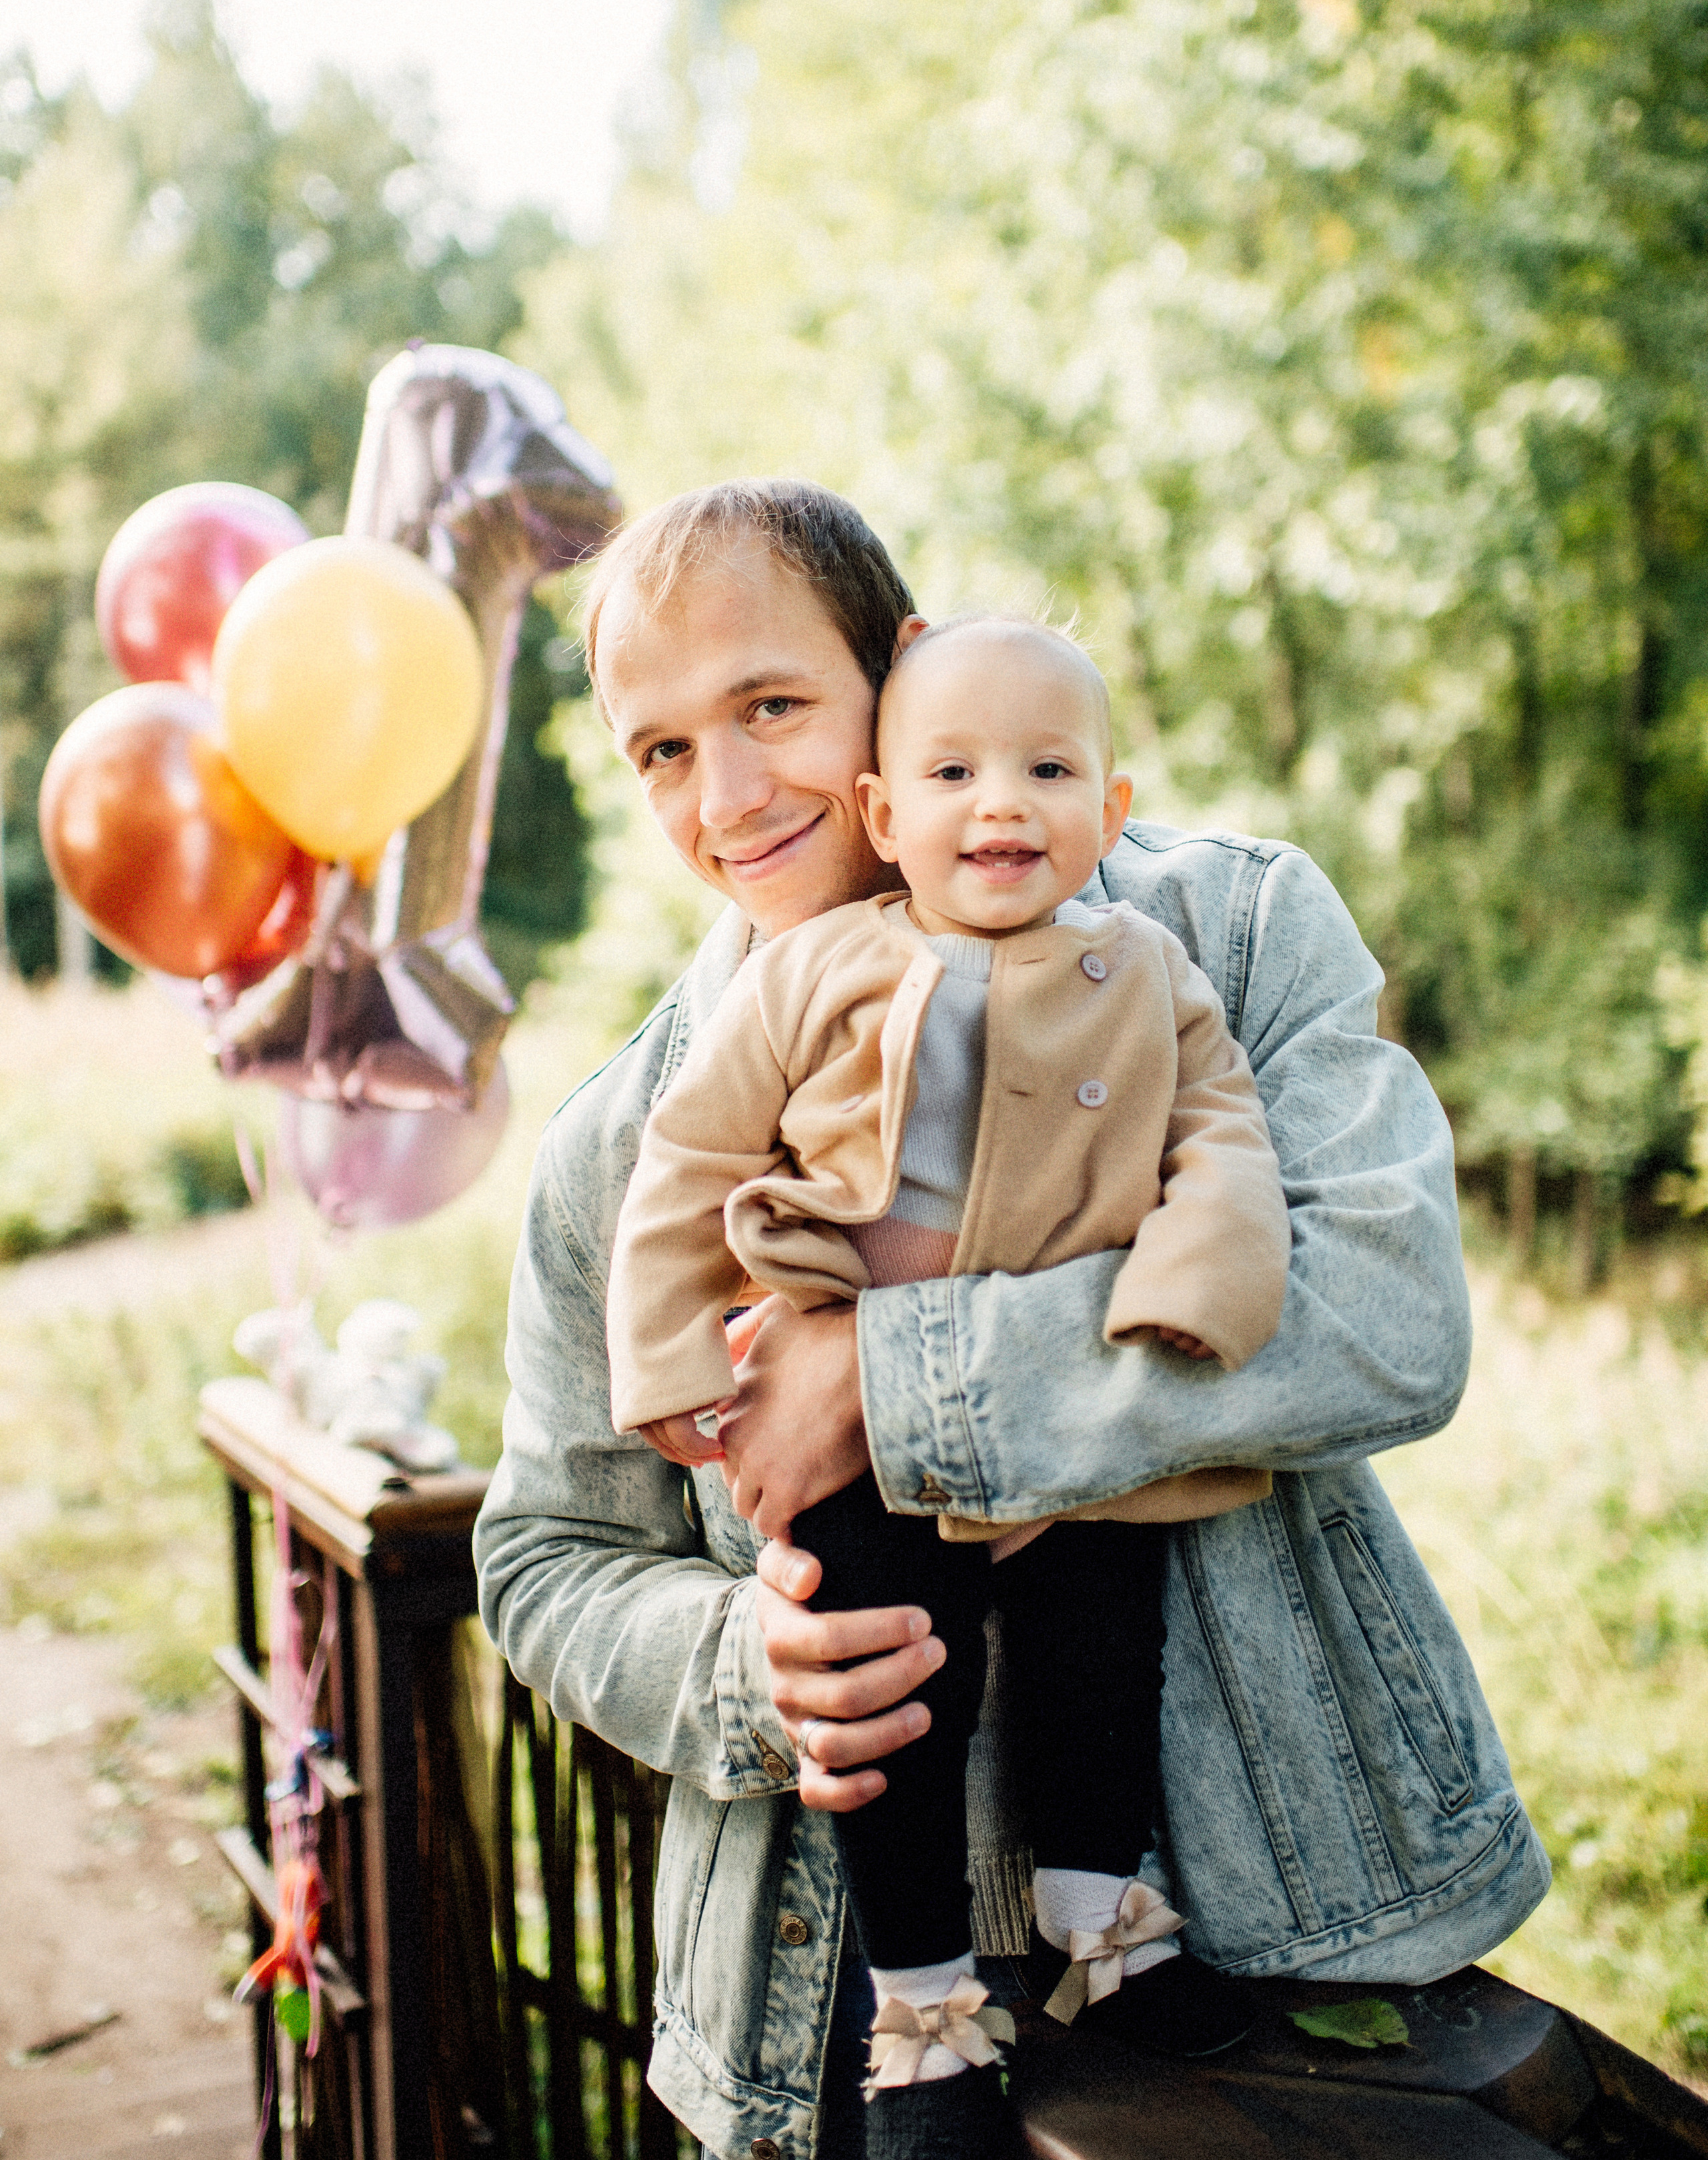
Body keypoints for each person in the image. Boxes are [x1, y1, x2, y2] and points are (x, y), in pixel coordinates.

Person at [474, 480, 1550, 2160]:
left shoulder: (1226, 934)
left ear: (895, 682)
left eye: (768, 706)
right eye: (662, 752)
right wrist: (746, 1665)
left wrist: (891, 1381)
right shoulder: (628, 1136)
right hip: (829, 1994)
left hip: (1261, 1920)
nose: (731, 796)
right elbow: (543, 1558)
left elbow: (1384, 1315)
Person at [604, 614, 1294, 2155]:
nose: (1000, 805)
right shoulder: (821, 971)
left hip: (1068, 1426)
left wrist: (1186, 1292)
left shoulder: (1154, 970)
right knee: (896, 1698)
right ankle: (919, 2023)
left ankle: (1096, 1919)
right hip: (844, 1447)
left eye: (1047, 772)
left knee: (1108, 1653)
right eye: (954, 773)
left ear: (1108, 812)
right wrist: (660, 1353)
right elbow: (693, 1156)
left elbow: (1223, 1140)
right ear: (884, 813)